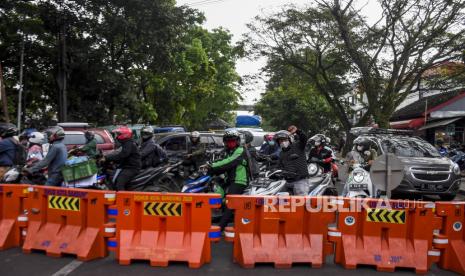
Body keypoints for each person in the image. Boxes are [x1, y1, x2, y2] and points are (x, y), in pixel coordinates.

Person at [206, 129, 248, 231]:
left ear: (237, 141)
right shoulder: (229, 151)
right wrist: (211, 164)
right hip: (229, 179)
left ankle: (220, 227)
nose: (230, 143)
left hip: (239, 181)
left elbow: (230, 162)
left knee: (230, 203)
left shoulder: (240, 150)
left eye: (233, 141)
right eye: (228, 141)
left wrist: (212, 166)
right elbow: (222, 160)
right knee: (219, 194)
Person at [274, 125, 309, 195]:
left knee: (301, 202)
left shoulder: (298, 146)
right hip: (287, 181)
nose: (283, 142)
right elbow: (279, 166)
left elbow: (304, 138)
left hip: (300, 180)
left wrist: (297, 131)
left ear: (290, 139)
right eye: (280, 141)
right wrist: (274, 171)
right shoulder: (281, 153)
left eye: (285, 140)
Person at [104, 126, 141, 191]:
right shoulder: (126, 143)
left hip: (131, 168)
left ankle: (122, 200)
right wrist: (112, 160)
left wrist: (107, 158)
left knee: (119, 183)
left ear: (124, 135)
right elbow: (120, 155)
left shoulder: (128, 143)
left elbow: (123, 155)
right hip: (126, 166)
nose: (117, 136)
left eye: (119, 134)